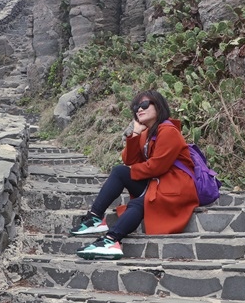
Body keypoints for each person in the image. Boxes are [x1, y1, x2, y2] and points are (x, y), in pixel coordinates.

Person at [70, 90, 200, 260]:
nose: (139, 109)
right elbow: (129, 159)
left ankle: (111, 240)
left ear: (158, 106)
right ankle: (95, 218)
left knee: (139, 203)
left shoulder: (169, 131)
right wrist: (136, 134)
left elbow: (157, 167)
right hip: (158, 183)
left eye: (144, 104)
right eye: (136, 107)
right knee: (119, 172)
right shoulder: (147, 133)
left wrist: (135, 170)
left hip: (175, 188)